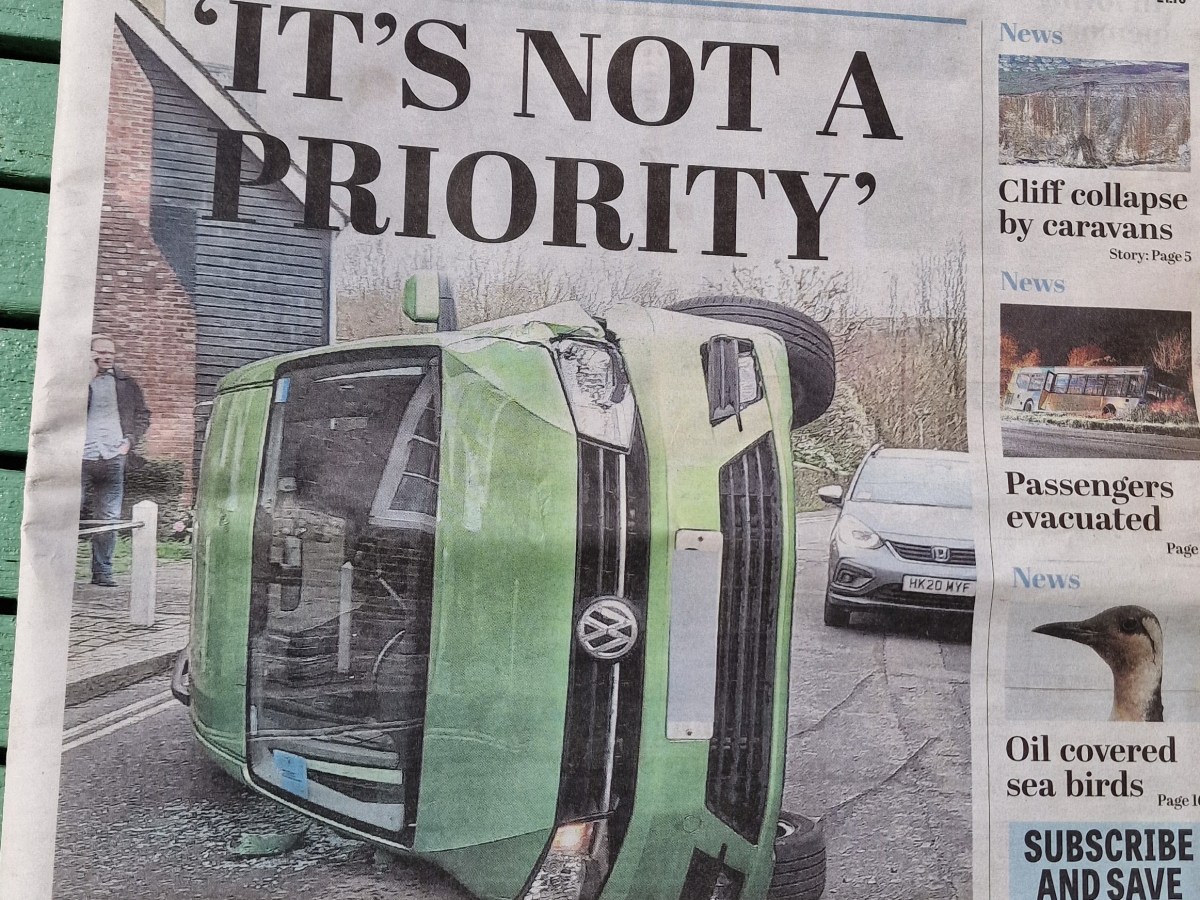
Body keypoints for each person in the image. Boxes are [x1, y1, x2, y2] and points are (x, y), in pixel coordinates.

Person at [81, 336, 150, 587]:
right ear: (89, 353)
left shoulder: (126, 383)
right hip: (80, 457)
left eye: (111, 352)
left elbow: (143, 415)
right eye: (100, 352)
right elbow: (62, 405)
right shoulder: (75, 382)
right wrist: (85, 375)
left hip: (113, 457)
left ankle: (103, 573)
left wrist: (129, 442)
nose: (107, 356)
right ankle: (59, 572)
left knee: (108, 517)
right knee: (67, 513)